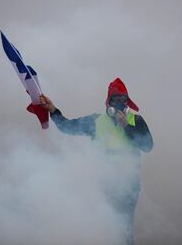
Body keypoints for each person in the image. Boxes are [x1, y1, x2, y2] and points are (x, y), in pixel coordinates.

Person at [37, 77, 153, 245]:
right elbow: (67, 127)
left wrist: (127, 126)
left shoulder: (136, 120)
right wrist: (53, 109)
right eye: (115, 100)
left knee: (124, 232)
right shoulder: (96, 121)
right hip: (105, 185)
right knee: (106, 229)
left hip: (128, 187)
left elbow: (147, 146)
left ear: (127, 103)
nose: (119, 104)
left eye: (123, 100)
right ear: (108, 103)